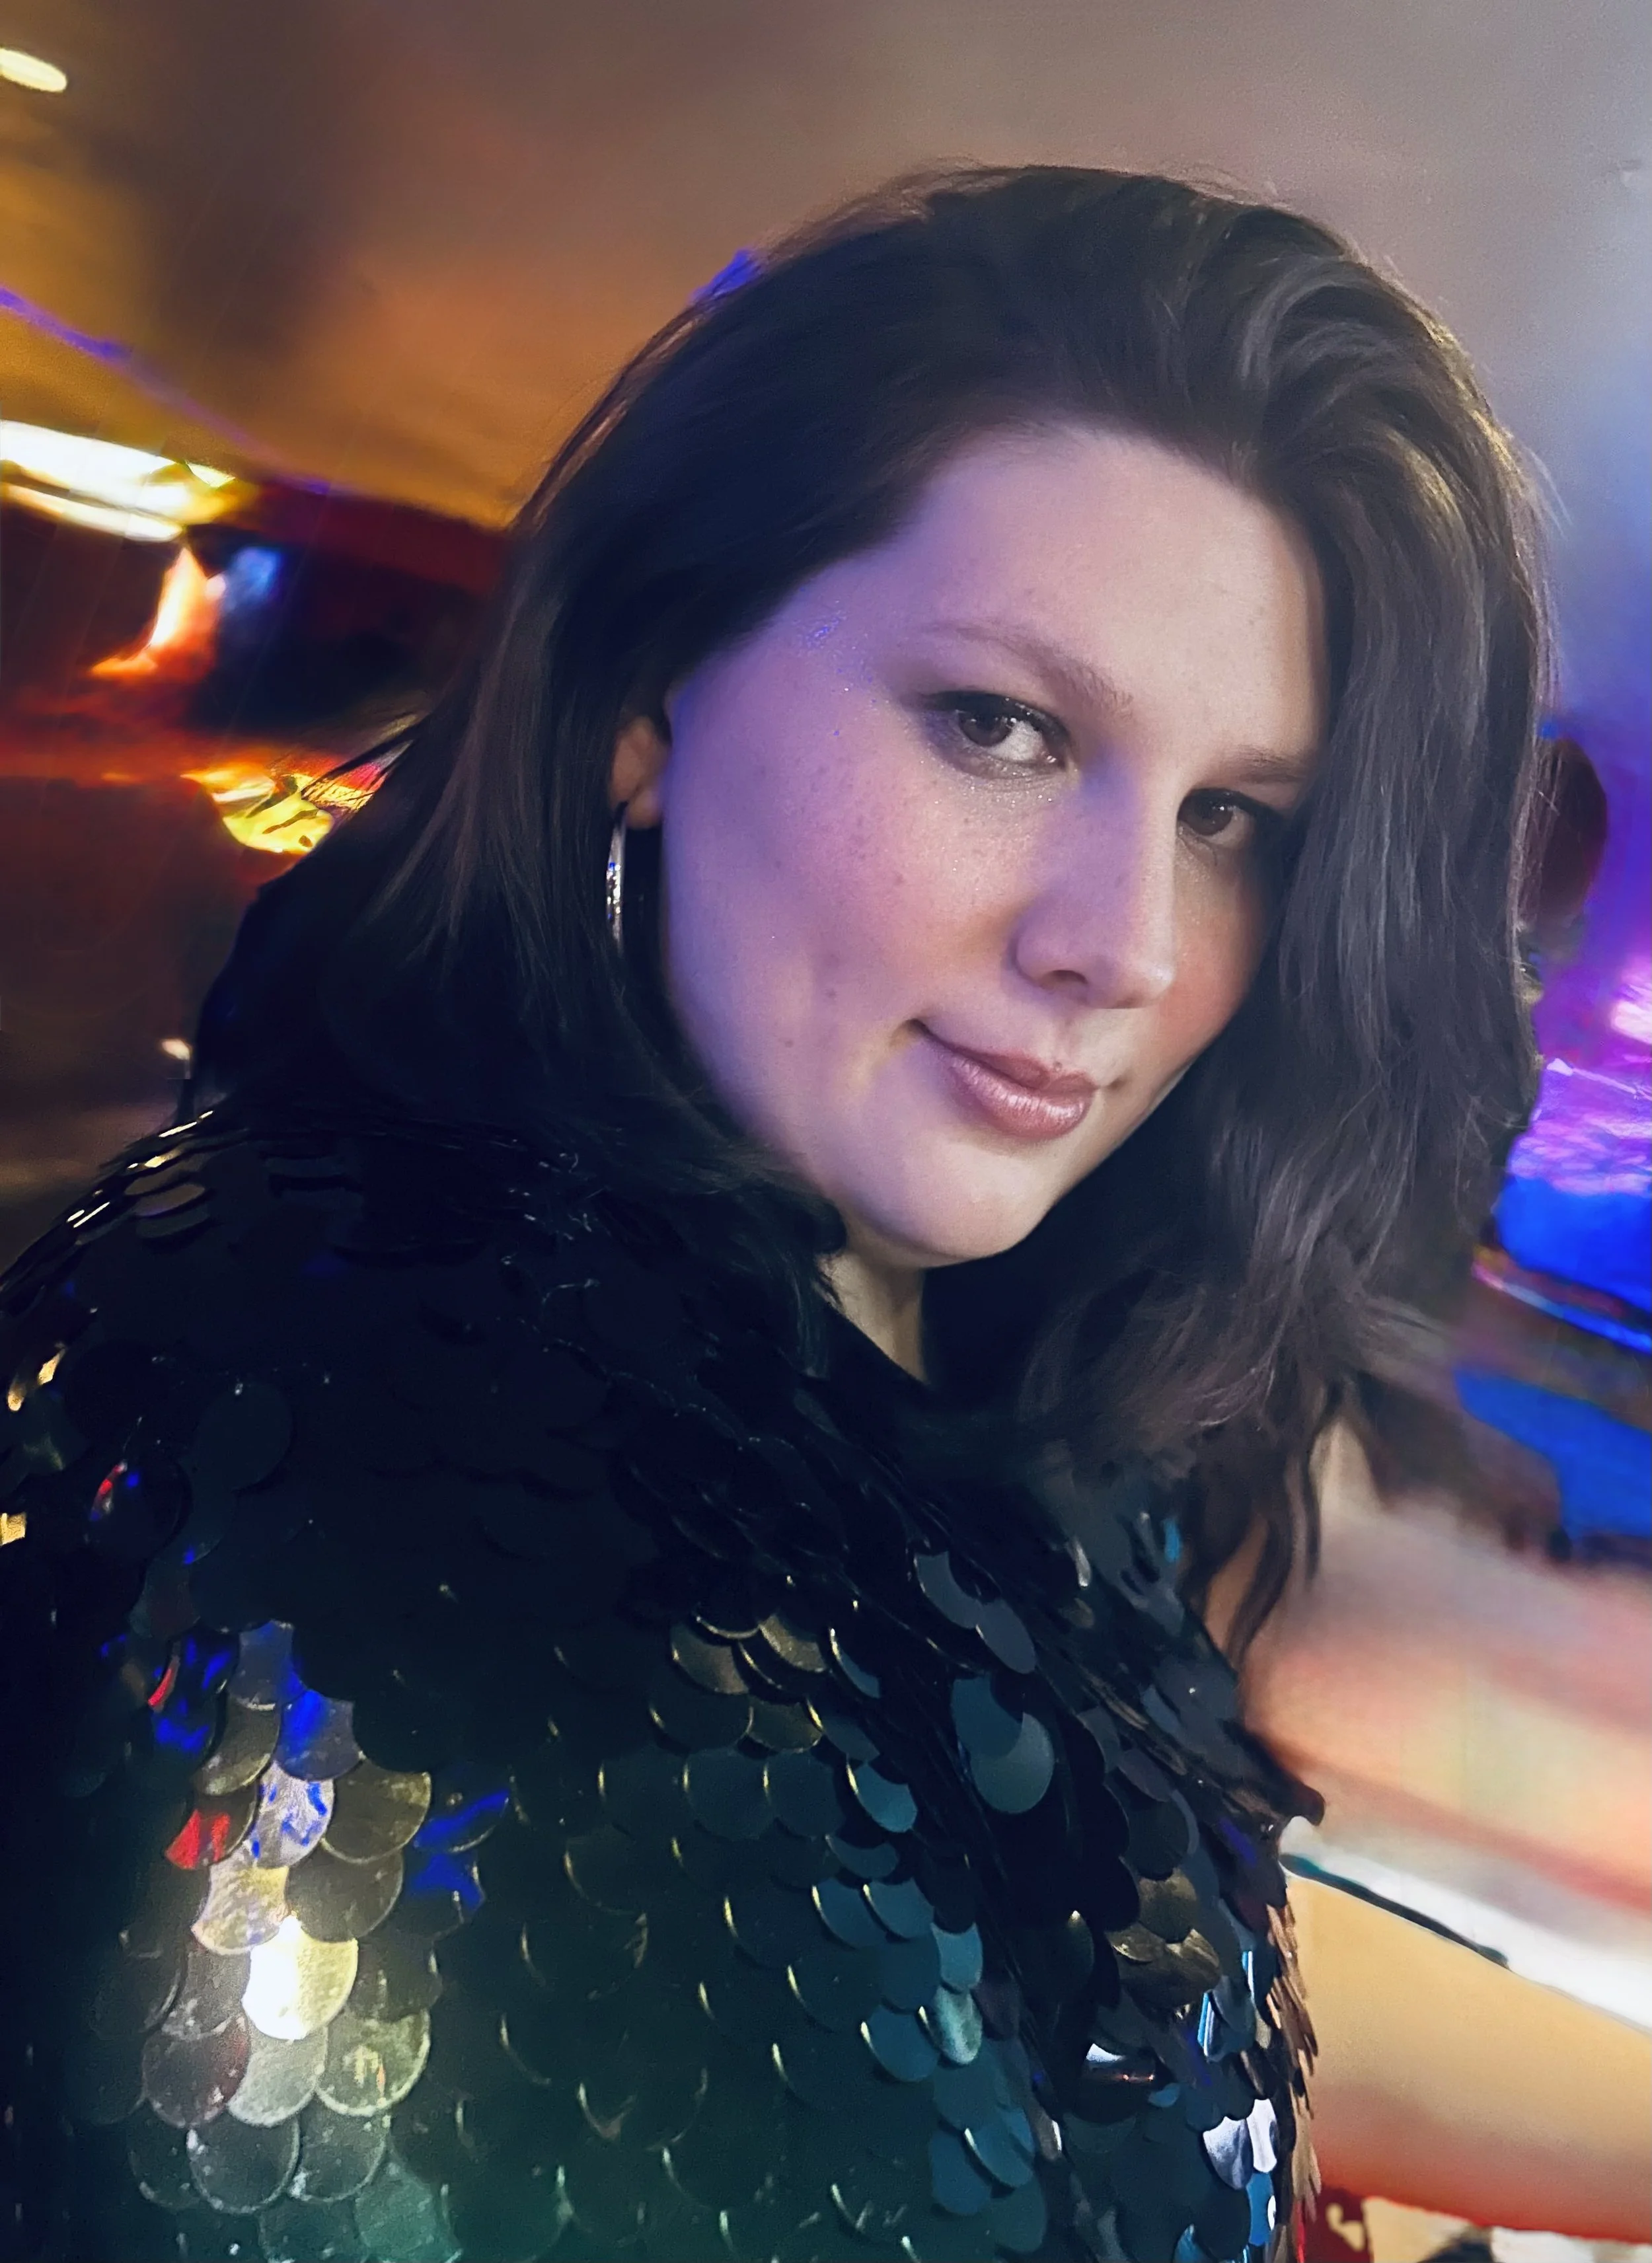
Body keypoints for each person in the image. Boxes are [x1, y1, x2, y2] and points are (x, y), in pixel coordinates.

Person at [0, 167, 1645, 2263]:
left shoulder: (911, 1326)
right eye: (1000, 727)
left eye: (1232, 816)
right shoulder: (394, 1472)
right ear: (644, 699)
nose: (1127, 944)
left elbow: (1069, 1956)